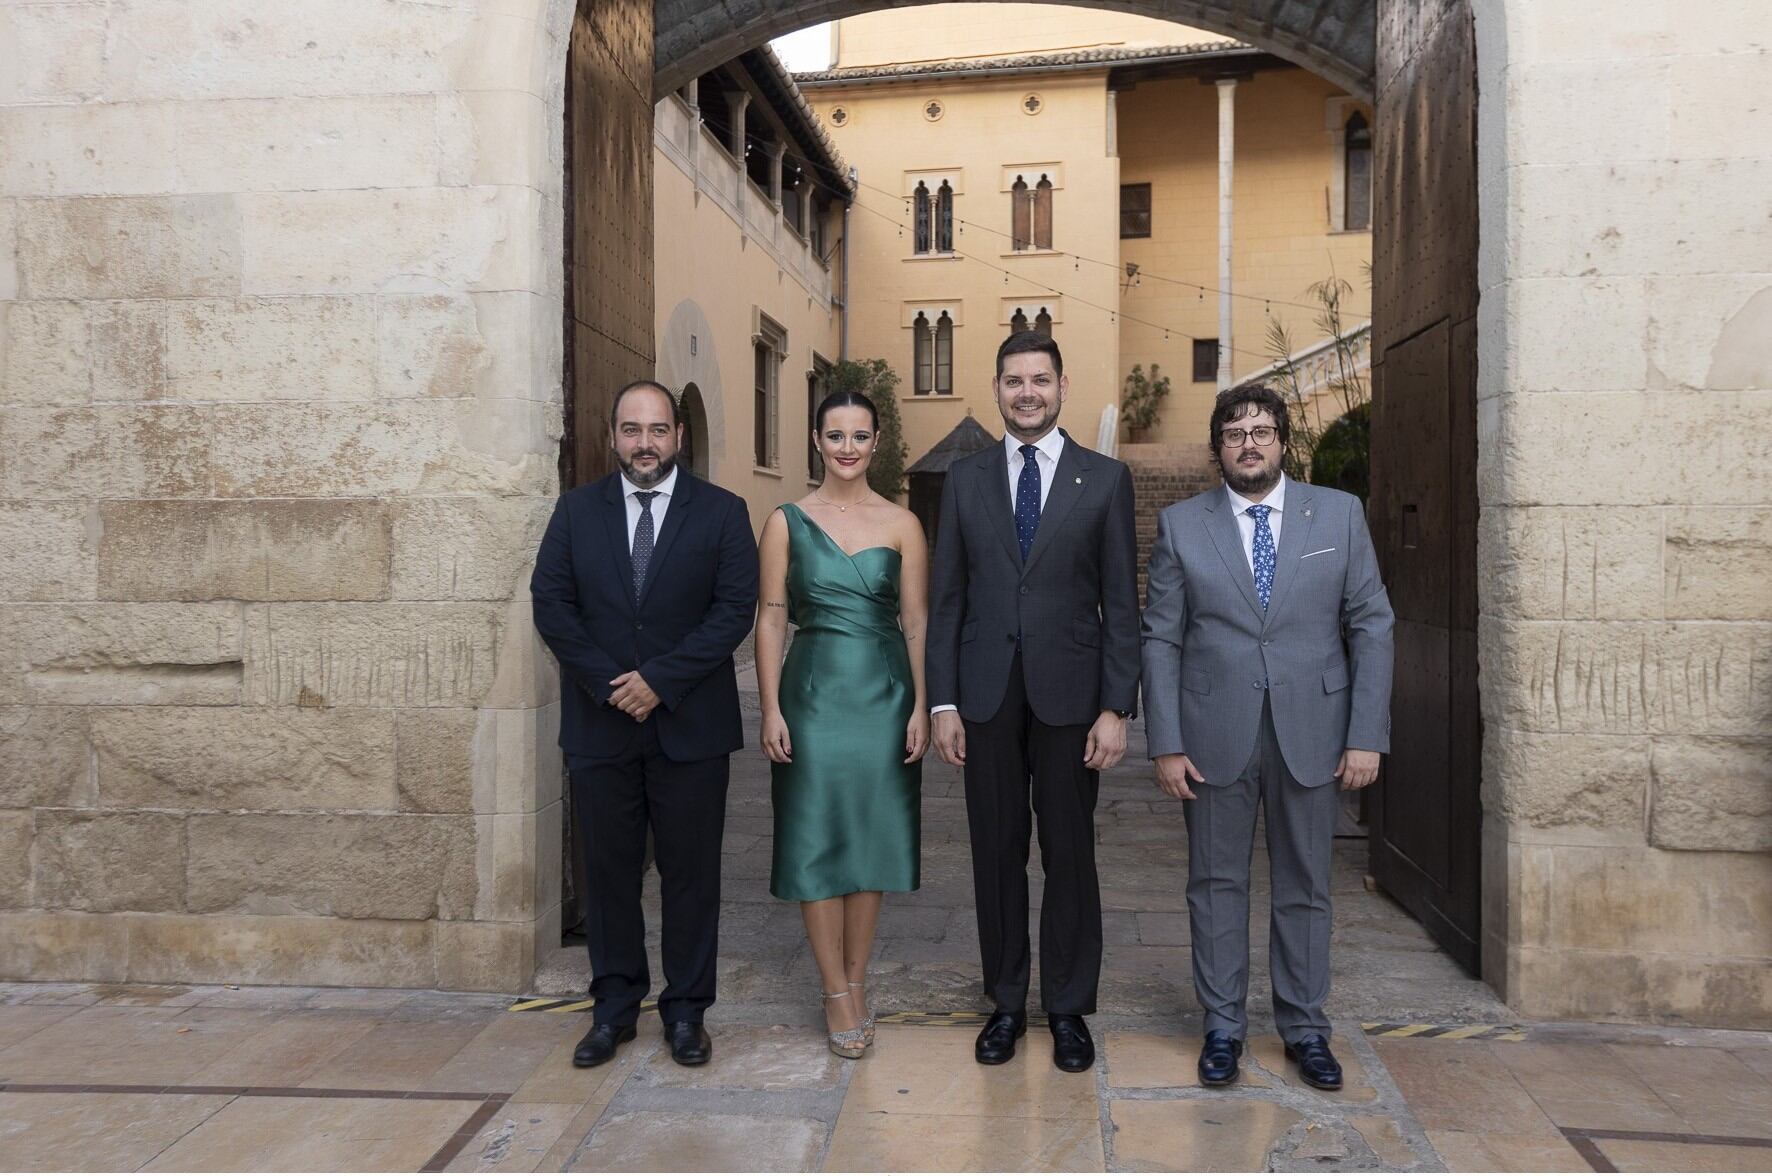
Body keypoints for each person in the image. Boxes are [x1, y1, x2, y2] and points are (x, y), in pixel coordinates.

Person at [1141, 384, 1394, 1091]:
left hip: (1314, 730)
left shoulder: (1339, 516)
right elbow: (1160, 637)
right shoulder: (1182, 525)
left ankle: (1306, 1028)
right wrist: (1163, 739)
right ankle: (1222, 1026)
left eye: (1261, 430)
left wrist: (1366, 734)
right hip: (1212, 732)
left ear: (1283, 440)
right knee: (1215, 884)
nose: (1248, 443)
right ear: (1217, 447)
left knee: (1307, 885)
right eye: (1233, 433)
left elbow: (1371, 624)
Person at [926, 331, 1140, 1073]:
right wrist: (942, 703)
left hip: (1072, 700)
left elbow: (1122, 601)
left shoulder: (1105, 480)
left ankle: (1070, 1008)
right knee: (995, 853)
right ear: (995, 389)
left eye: (1039, 380)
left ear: (1061, 386)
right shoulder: (966, 478)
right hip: (983, 697)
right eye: (1014, 380)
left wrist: (1117, 707)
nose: (1027, 393)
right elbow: (946, 599)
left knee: (1070, 853)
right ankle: (1007, 1003)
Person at [530, 379, 760, 1070]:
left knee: (692, 877)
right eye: (632, 429)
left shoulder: (722, 512)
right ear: (612, 437)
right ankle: (613, 1009)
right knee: (607, 875)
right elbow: (551, 604)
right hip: (601, 728)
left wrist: (660, 680)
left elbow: (734, 609)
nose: (645, 443)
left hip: (690, 728)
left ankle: (687, 1013)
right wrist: (612, 685)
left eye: (658, 429)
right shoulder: (575, 513)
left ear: (678, 437)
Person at [754, 389, 929, 1059]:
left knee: (872, 843)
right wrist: (769, 707)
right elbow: (771, 617)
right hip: (814, 696)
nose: (848, 447)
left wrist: (919, 702)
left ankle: (857, 977)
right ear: (816, 441)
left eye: (860, 436)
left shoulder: (903, 523)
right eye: (835, 436)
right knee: (817, 841)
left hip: (884, 695)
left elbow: (915, 621)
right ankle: (835, 991)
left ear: (876, 442)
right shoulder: (785, 520)